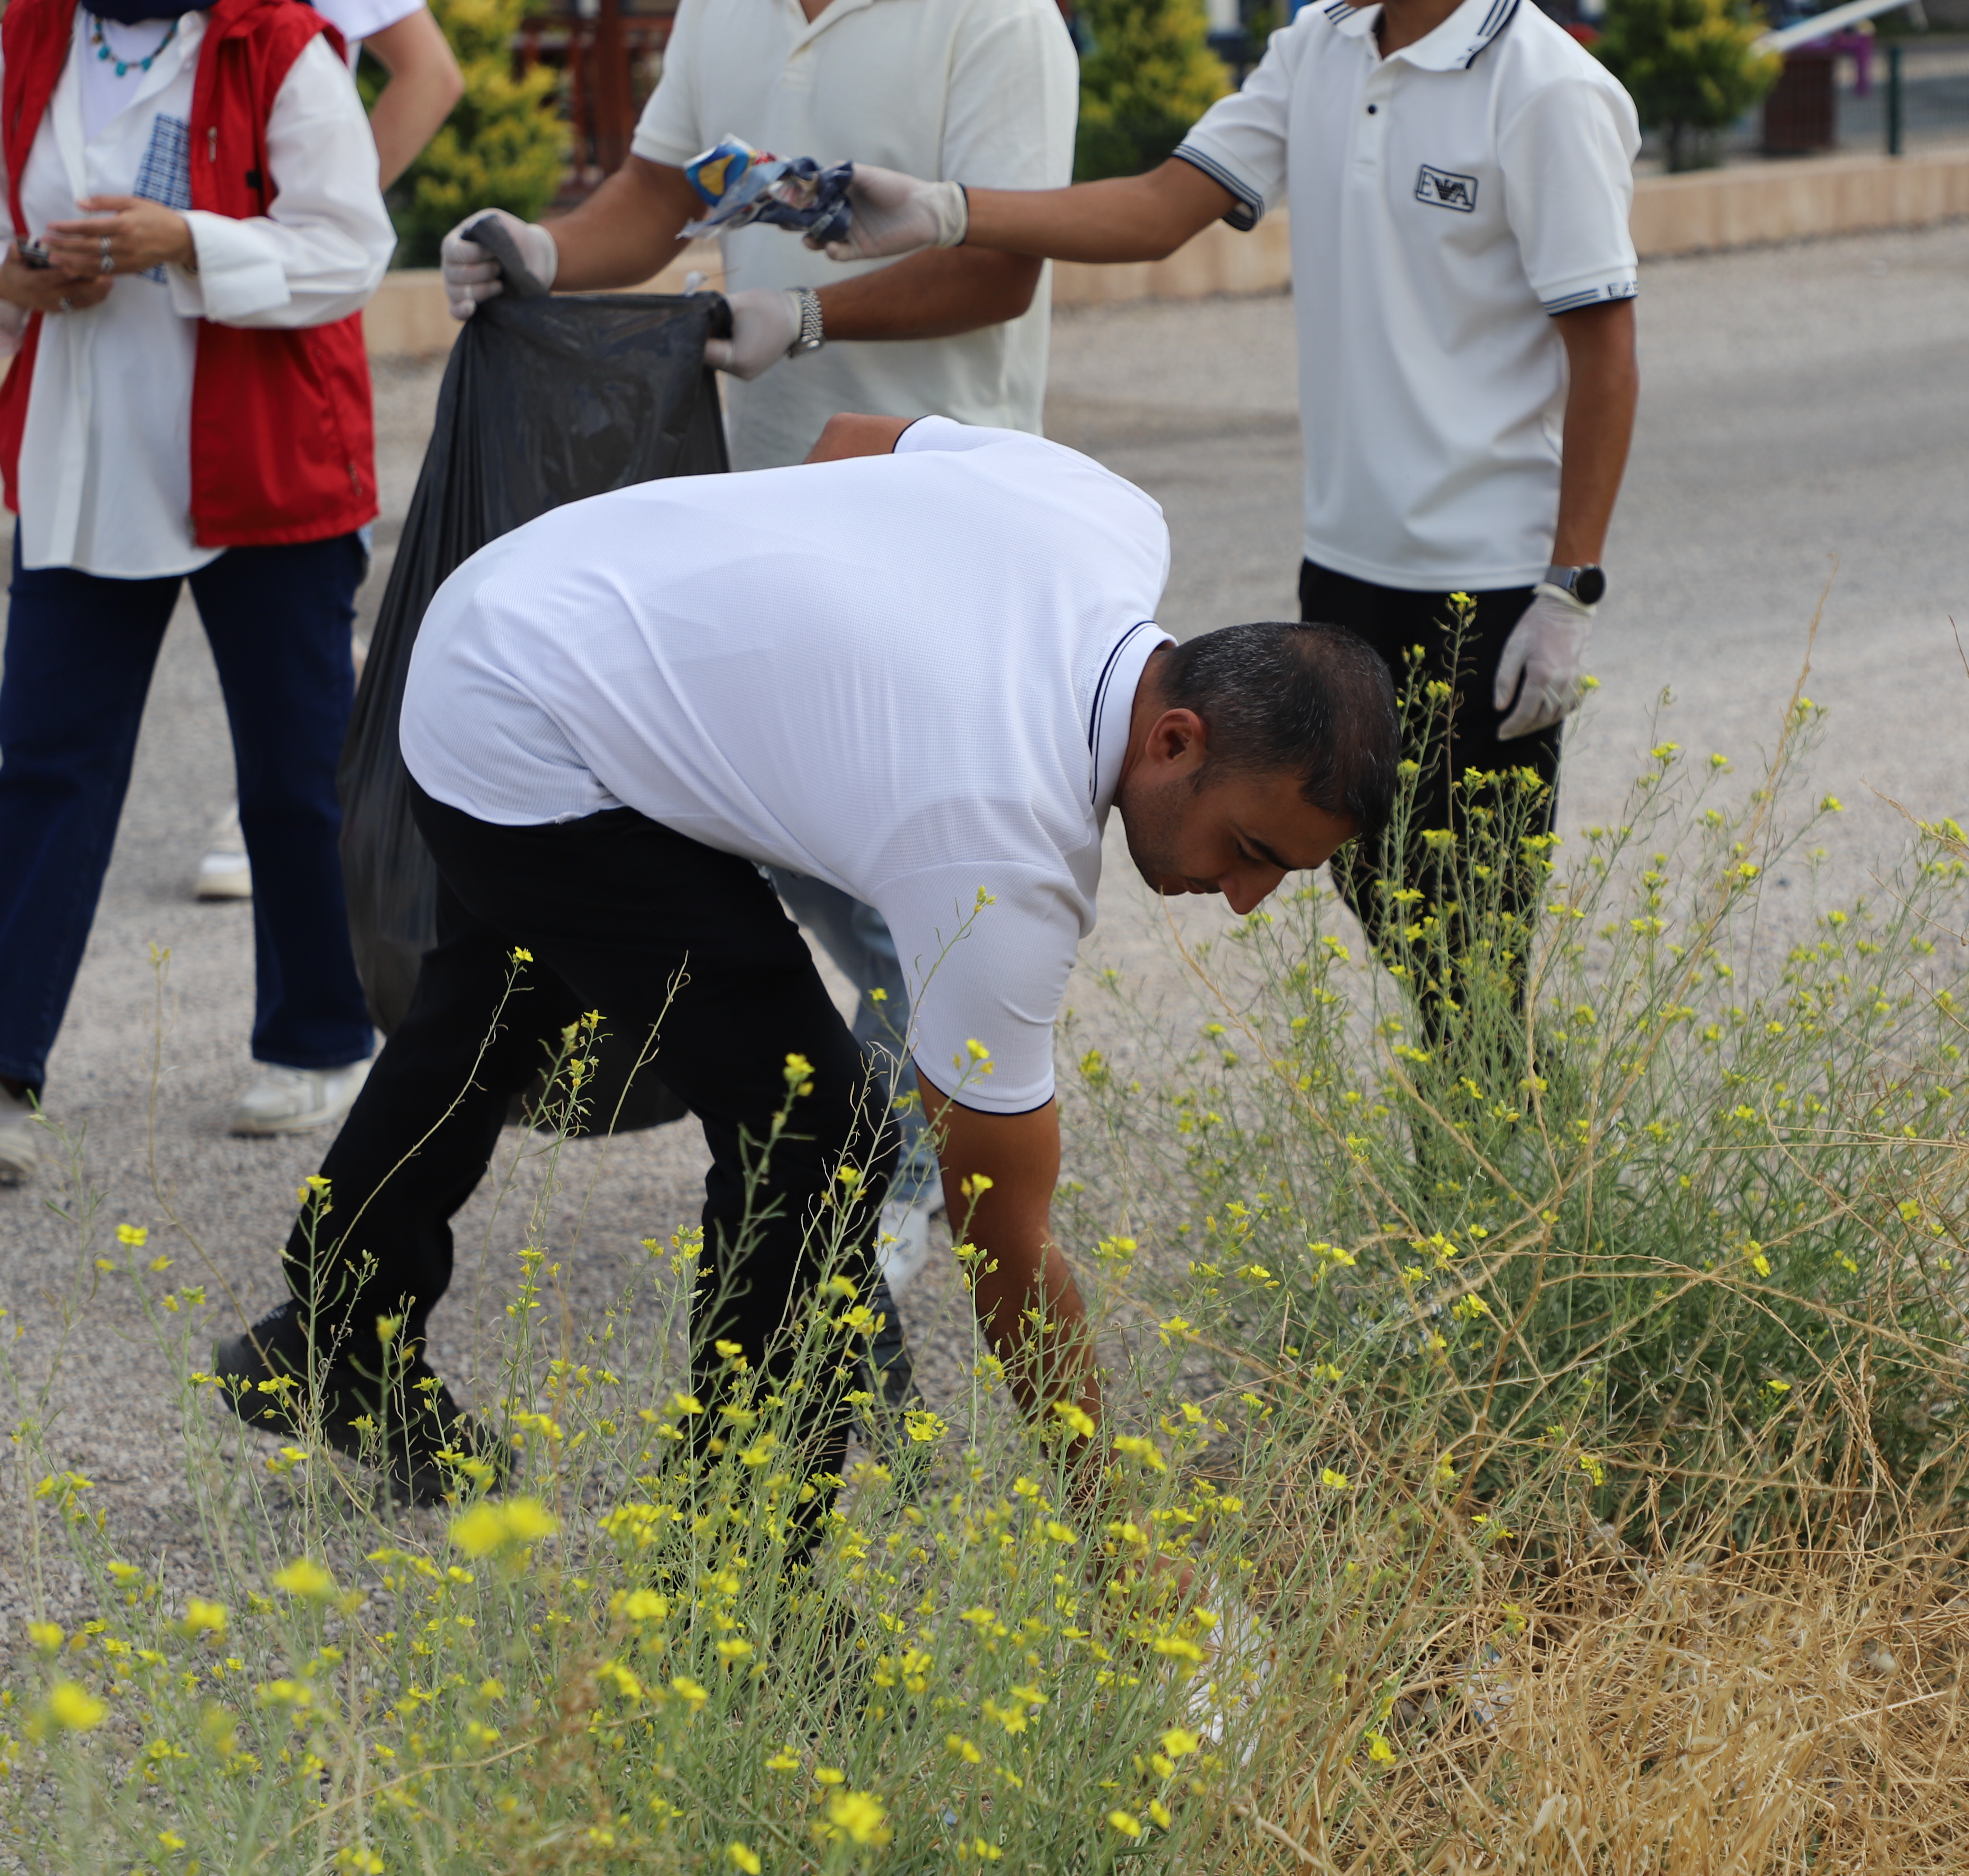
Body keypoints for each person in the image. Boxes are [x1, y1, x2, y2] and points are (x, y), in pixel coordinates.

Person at [210, 415, 1397, 1517]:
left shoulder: (1105, 511)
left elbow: (852, 443)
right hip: (527, 718)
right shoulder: (1003, 848)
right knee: (818, 1130)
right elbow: (1002, 1231)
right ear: (1176, 739)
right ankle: (747, 1578)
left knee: (507, 993)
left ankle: (330, 1338)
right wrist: (1112, 1533)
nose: (1245, 899)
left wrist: (780, 685)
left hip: (526, 596)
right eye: (1251, 852)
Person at [786, 0, 1641, 1053]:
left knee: (1475, 935)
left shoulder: (1548, 88)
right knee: (1384, 898)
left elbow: (1604, 348)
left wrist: (1570, 588)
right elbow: (1158, 209)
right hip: (1345, 566)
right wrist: (946, 209)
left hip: (1491, 587)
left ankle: (1508, 1143)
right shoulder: (1320, 47)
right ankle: (1480, 1136)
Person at [433, 0, 1081, 1260]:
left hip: (935, 527)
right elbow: (660, 190)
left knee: (911, 889)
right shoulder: (725, 10)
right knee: (774, 861)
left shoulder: (998, 20)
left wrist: (814, 315)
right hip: (761, 519)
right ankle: (850, 1150)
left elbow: (1003, 266)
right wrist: (546, 251)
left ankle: (897, 1180)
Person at [0, 0, 397, 1181]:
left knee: (294, 769)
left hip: (264, 455)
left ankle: (323, 1038)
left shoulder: (277, 43)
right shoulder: (30, 37)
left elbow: (351, 249)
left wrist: (188, 242)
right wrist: (16, 281)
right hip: (83, 463)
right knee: (46, 766)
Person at [189, 0, 463, 903]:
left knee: (278, 556)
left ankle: (296, 804)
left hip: (267, 310)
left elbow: (428, 73)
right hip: (141, 315)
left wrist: (320, 215)